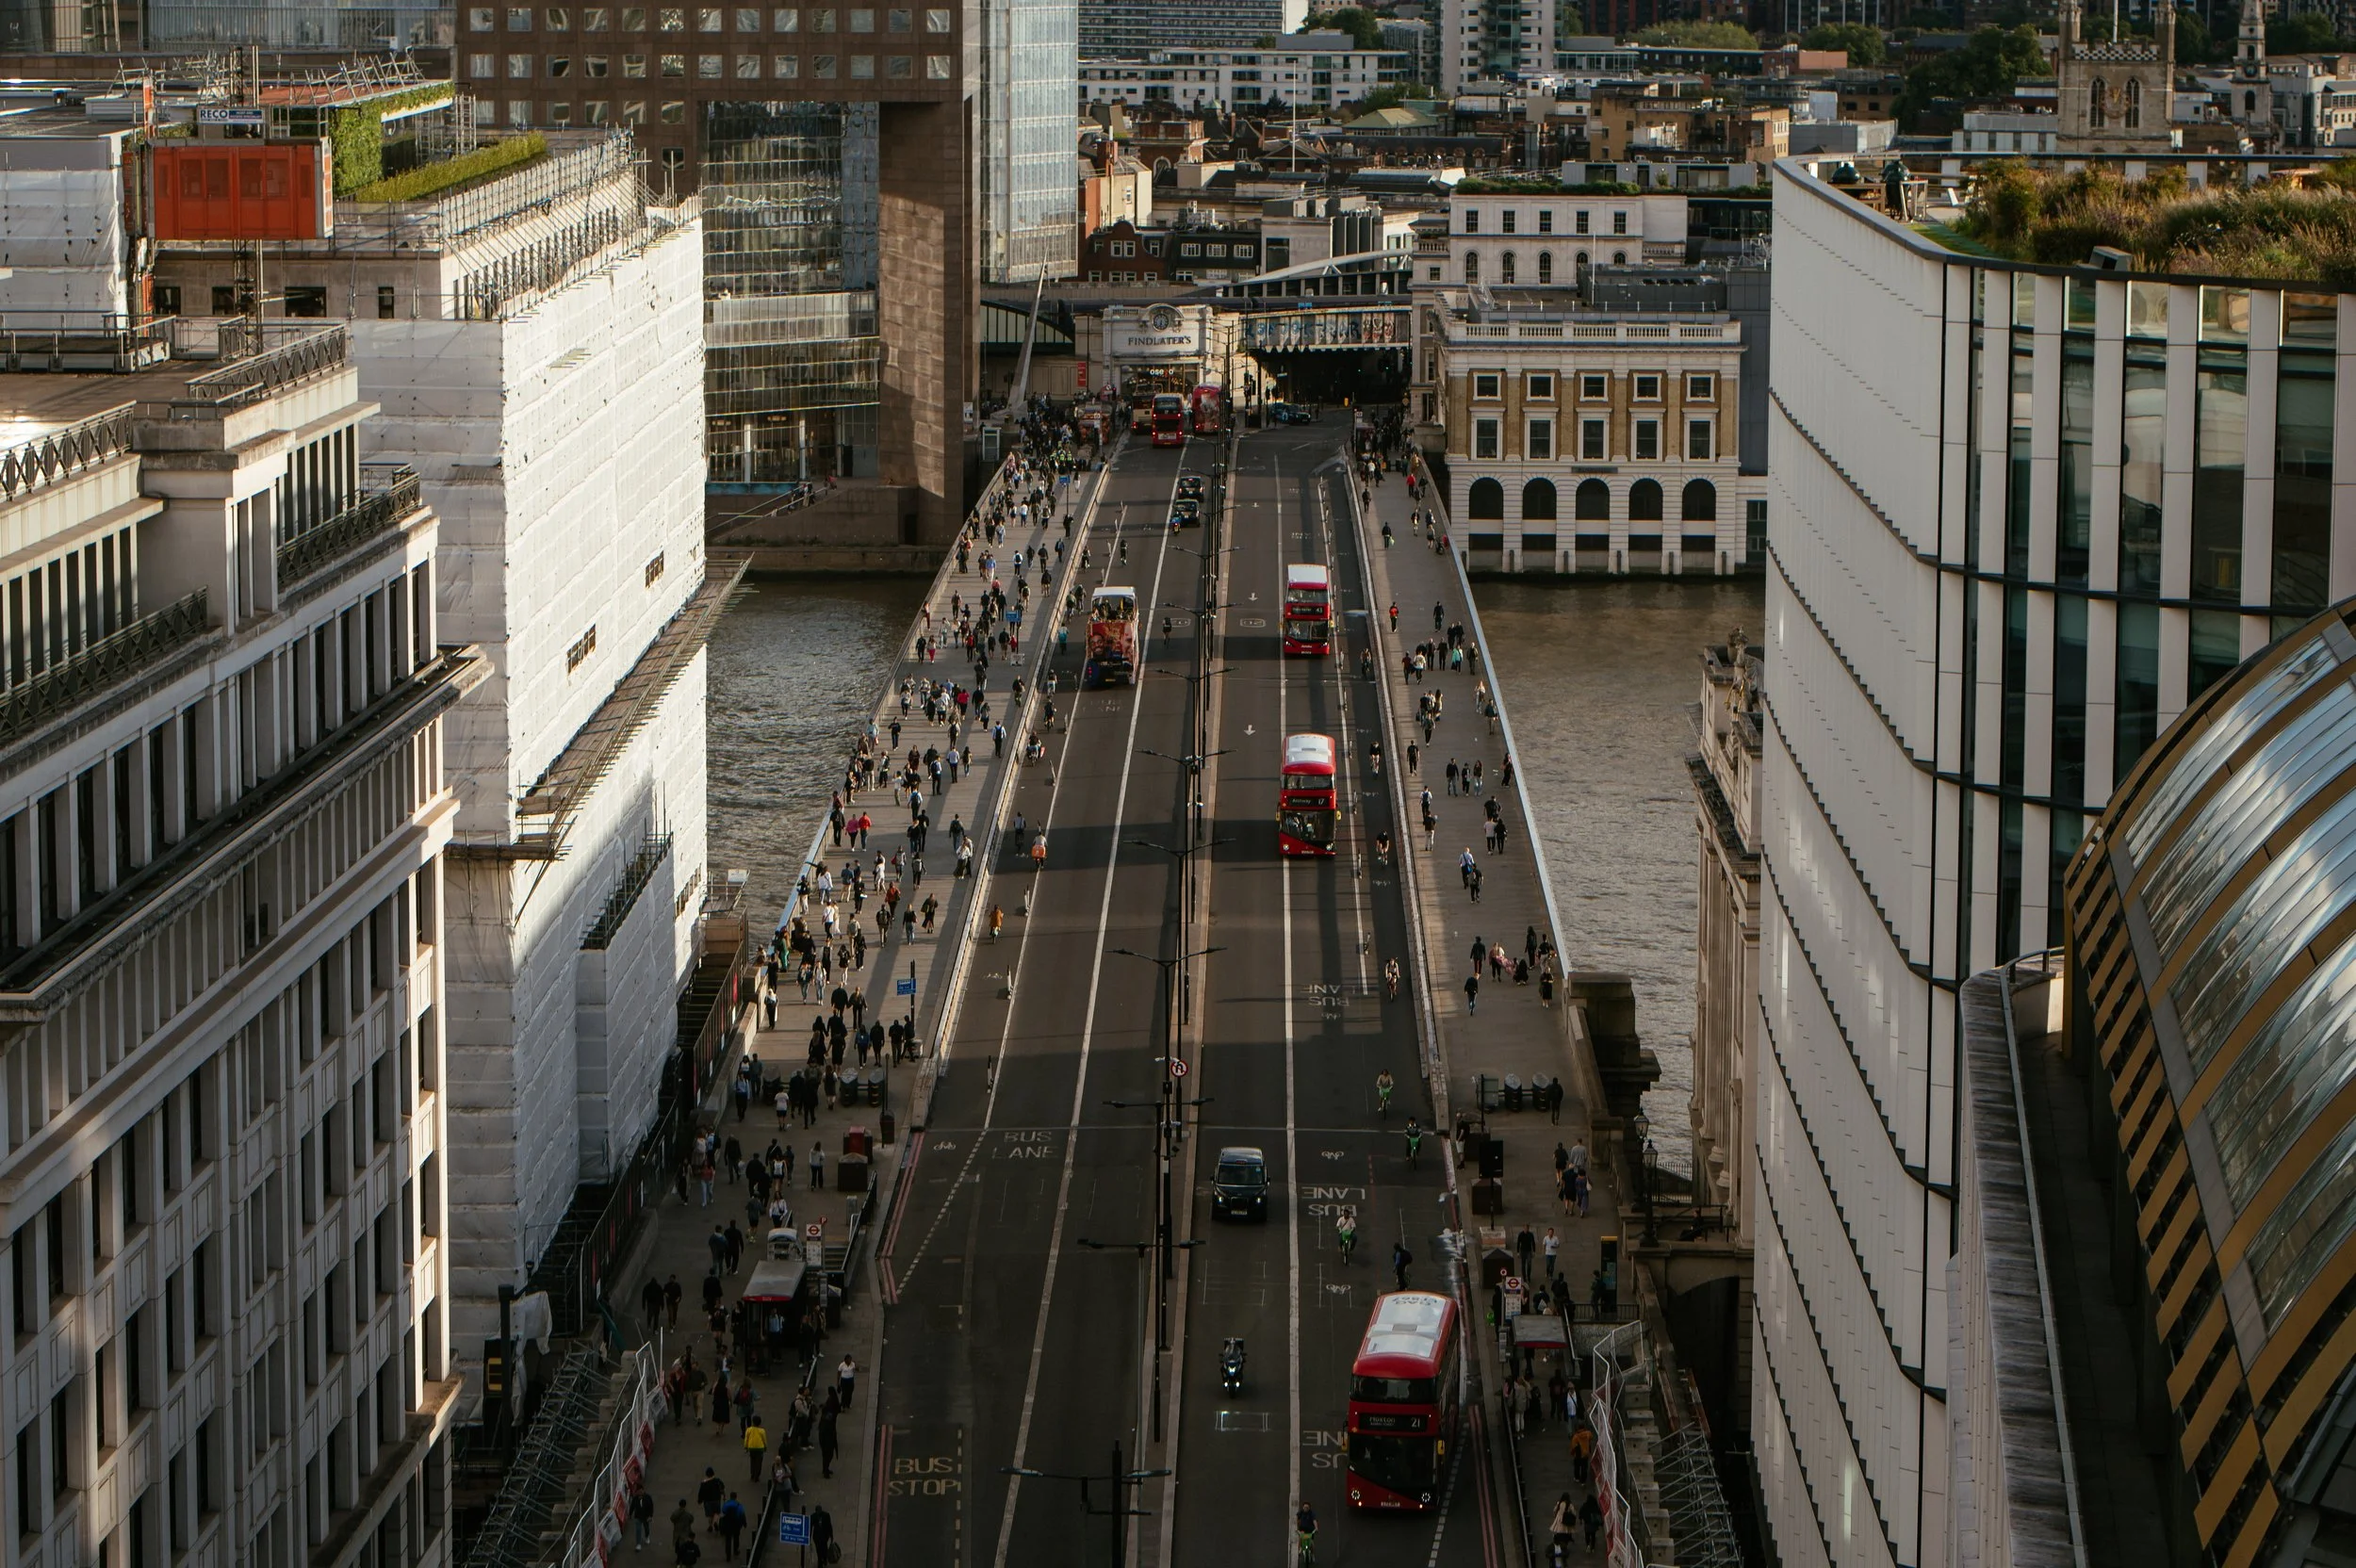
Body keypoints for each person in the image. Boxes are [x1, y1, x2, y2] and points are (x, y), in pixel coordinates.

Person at [716, 1494, 747, 1562]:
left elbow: (723, 1511)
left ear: (730, 1497)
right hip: (736, 1524)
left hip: (728, 1524)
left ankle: (728, 1556)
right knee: (736, 1537)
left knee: (728, 1540)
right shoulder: (739, 1505)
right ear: (736, 1497)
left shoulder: (726, 1504)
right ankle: (735, 1550)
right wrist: (745, 1524)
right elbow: (742, 1514)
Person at [1548, 1492, 1576, 1556]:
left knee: (1559, 1532)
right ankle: (1564, 1546)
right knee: (1566, 1533)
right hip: (1566, 1520)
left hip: (1559, 1519)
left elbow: (1555, 1510)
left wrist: (1556, 1515)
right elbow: (1574, 1512)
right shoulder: (1570, 1504)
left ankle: (1559, 1544)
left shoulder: (1559, 1503)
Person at [631, 1486, 657, 1551]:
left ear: (643, 1490)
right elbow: (632, 1506)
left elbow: (651, 1507)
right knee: (638, 1530)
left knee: (646, 1528)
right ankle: (638, 1544)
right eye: (638, 1492)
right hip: (638, 1516)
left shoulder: (648, 1497)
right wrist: (630, 1513)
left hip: (646, 1516)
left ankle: (647, 1536)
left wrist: (650, 1516)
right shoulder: (635, 1498)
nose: (640, 1493)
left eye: (641, 1491)